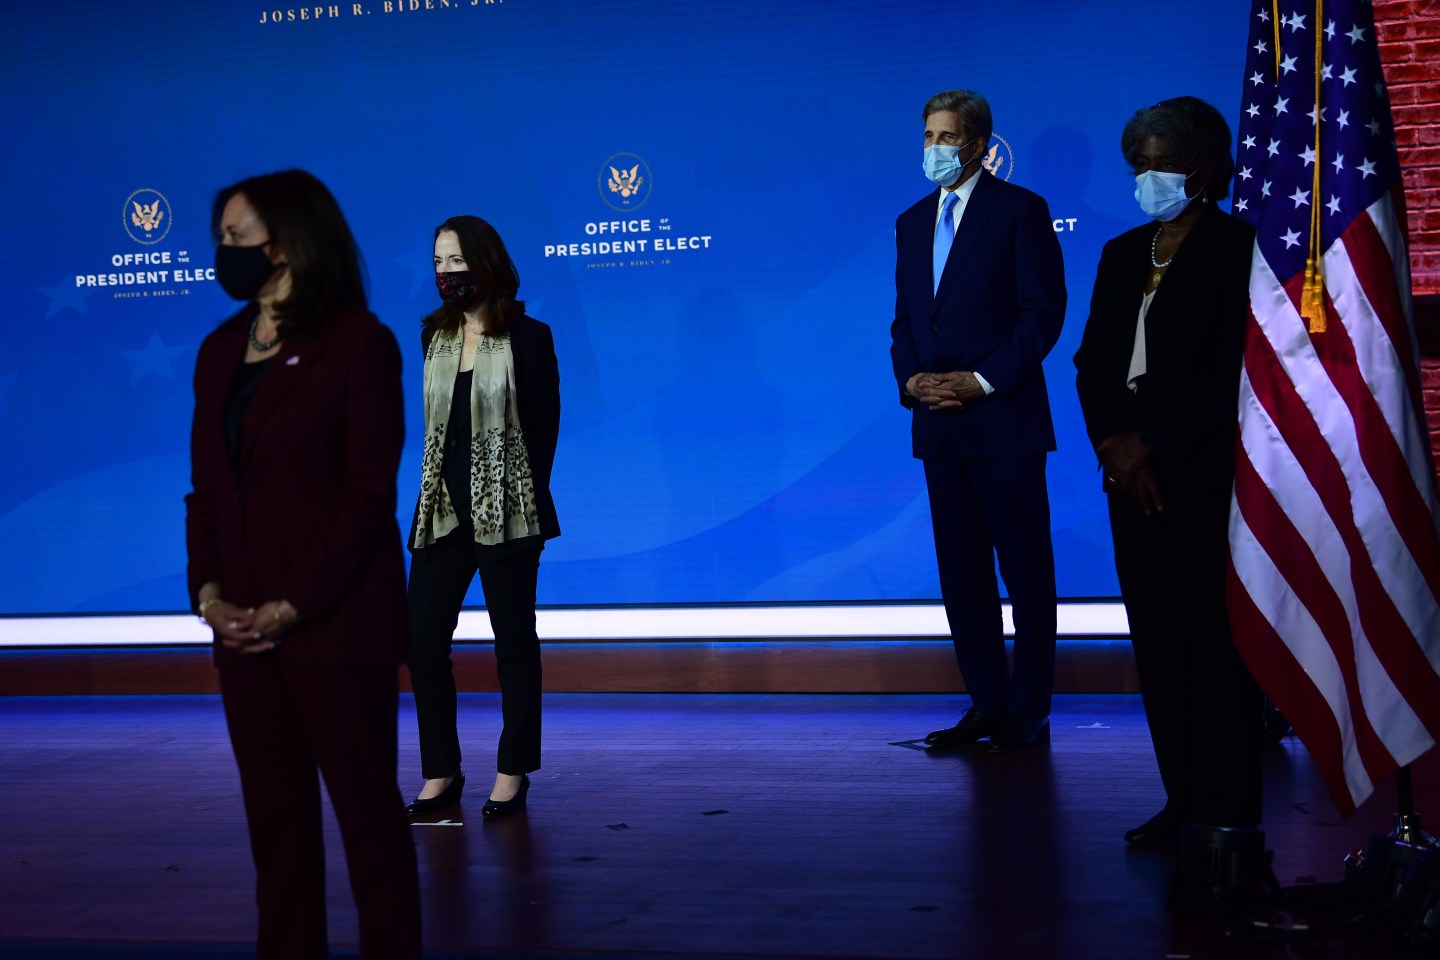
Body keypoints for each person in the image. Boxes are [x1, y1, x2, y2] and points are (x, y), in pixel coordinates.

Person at [185, 169, 421, 957]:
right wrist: (209, 594)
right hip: (244, 637)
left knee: (369, 830)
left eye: (235, 237)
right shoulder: (218, 351)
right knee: (276, 840)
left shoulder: (358, 344)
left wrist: (292, 606)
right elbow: (208, 492)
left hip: (334, 629)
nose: (223, 253)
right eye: (222, 238)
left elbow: (367, 499)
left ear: (283, 244)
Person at [1073, 96, 1262, 844]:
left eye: (1162, 163)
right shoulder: (1123, 253)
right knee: (1156, 642)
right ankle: (1181, 798)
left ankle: (1226, 809)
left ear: (1204, 168)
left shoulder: (1239, 247)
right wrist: (1116, 447)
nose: (1148, 178)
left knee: (1212, 645)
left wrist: (1151, 441)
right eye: (1140, 165)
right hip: (1129, 480)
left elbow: (1231, 371)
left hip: (1202, 476)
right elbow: (1092, 365)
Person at [891, 89, 1067, 751]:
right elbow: (905, 324)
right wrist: (912, 380)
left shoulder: (1020, 211)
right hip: (938, 426)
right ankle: (986, 704)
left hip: (1004, 421)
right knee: (961, 574)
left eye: (947, 137)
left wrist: (982, 379)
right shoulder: (911, 223)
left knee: (1025, 571)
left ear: (977, 143)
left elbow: (1041, 314)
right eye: (928, 136)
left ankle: (1028, 709)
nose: (935, 149)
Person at [404, 215, 560, 819]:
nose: (445, 273)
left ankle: (513, 768)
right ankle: (441, 771)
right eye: (438, 262)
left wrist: (515, 502)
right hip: (442, 514)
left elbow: (543, 434)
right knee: (421, 643)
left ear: (486, 262)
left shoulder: (530, 335)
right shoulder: (432, 338)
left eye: (456, 261)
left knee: (513, 644)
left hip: (508, 512)